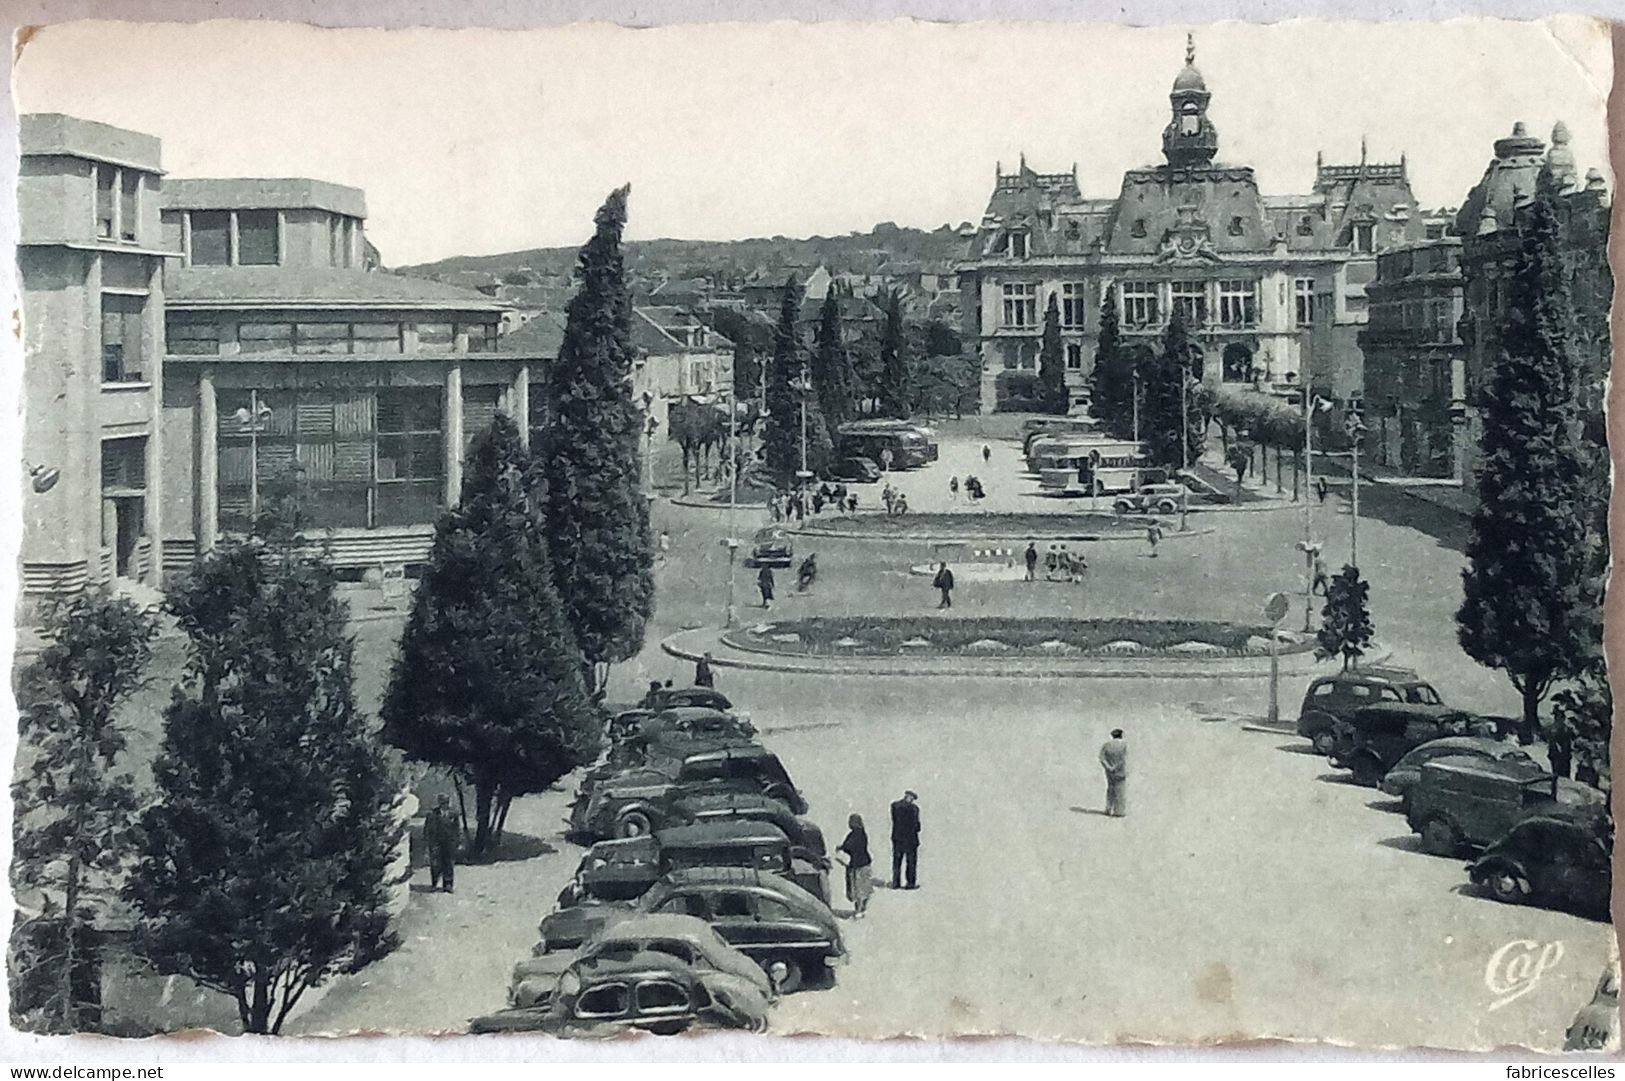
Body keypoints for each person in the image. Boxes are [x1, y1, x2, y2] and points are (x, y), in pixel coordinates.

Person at [836, 813, 874, 918]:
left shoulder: (854, 834)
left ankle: (858, 910)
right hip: (865, 862)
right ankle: (863, 908)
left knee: (857, 889)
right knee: (864, 888)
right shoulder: (862, 833)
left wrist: (841, 848)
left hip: (857, 865)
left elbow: (850, 846)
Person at [424, 793, 460, 893]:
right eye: (443, 802)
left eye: (446, 802)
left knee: (448, 863)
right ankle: (434, 883)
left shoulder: (453, 814)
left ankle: (448, 884)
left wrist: (457, 842)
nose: (445, 805)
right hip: (436, 842)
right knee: (435, 863)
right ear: (439, 803)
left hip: (449, 843)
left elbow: (456, 830)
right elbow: (427, 829)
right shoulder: (432, 814)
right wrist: (428, 843)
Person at [889, 790, 920, 889]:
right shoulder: (914, 809)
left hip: (898, 838)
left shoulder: (895, 806)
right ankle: (910, 883)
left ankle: (896, 882)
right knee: (911, 862)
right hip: (911, 840)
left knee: (897, 861)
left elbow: (894, 820)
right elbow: (917, 826)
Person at [1099, 729, 1128, 817]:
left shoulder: (1106, 745)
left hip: (1109, 771)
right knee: (1120, 790)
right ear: (1121, 735)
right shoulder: (1124, 745)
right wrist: (1118, 766)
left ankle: (1109, 808)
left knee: (1110, 788)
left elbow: (1102, 758)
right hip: (1120, 770)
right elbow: (1125, 759)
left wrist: (1109, 767)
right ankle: (1119, 811)